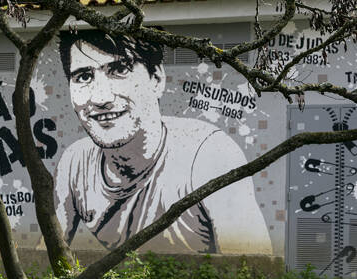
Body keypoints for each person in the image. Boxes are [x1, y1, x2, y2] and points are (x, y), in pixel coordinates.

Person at [55, 30, 272, 254]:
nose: (100, 98)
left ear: (156, 79)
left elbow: (252, 269)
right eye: (83, 76)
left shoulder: (209, 154)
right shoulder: (74, 163)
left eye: (119, 70)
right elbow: (48, 256)